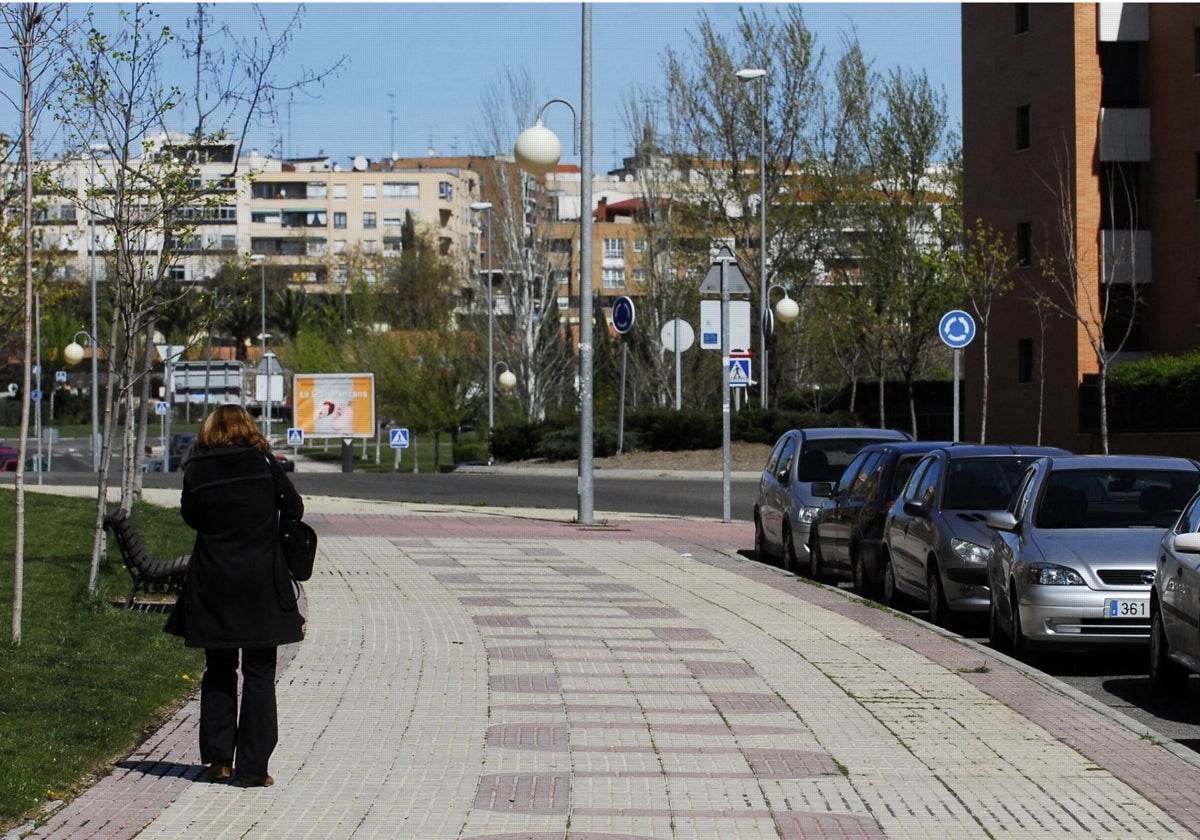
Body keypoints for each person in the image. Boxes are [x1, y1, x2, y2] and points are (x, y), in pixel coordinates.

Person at [164, 404, 306, 788]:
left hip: (214, 582)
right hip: (261, 583)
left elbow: (190, 516)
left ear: (210, 430)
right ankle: (253, 769)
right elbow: (294, 507)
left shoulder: (197, 468)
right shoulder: (263, 463)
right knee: (260, 673)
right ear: (247, 427)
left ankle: (218, 760)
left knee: (219, 668)